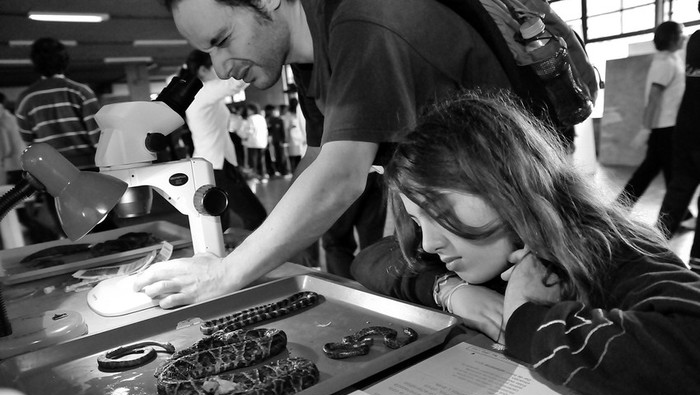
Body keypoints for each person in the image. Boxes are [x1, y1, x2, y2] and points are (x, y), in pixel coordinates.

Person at [352, 90, 700, 395]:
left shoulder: (613, 248)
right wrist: (451, 291)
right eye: (417, 220)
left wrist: (525, 317)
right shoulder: (475, 251)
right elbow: (370, 260)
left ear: (503, 183)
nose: (428, 243)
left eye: (439, 211)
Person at [134, 0, 523, 308]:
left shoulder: (363, 20)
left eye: (222, 40)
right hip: (461, 248)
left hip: (513, 227)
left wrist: (225, 274)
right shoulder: (311, 55)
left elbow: (340, 175)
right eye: (208, 51)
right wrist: (265, 248)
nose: (220, 68)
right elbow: (317, 159)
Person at [15, 37, 103, 241]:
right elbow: (98, 137)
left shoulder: (26, 99)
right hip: (87, 171)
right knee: (101, 226)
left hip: (51, 174)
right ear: (65, 61)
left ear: (35, 64)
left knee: (71, 230)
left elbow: (29, 140)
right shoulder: (80, 92)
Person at [181, 49, 268, 231]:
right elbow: (233, 86)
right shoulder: (202, 91)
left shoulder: (205, 95)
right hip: (215, 166)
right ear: (203, 70)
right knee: (255, 216)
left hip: (216, 163)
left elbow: (224, 120)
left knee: (219, 223)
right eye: (215, 66)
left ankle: (227, 258)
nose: (219, 71)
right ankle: (251, 257)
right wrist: (253, 61)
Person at [616, 21, 686, 206]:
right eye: (682, 33)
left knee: (654, 171)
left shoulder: (670, 60)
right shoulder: (665, 63)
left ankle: (619, 207)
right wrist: (645, 129)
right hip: (665, 129)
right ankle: (677, 216)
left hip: (666, 128)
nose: (684, 37)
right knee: (668, 174)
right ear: (673, 38)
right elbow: (654, 97)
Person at [657, 2, 700, 275]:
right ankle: (697, 265)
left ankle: (653, 247)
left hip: (687, 126)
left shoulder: (696, 39)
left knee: (677, 191)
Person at [239, 102, 270, 181]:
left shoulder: (251, 118)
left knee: (253, 161)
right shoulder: (261, 117)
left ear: (252, 110)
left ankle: (254, 176)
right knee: (261, 160)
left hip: (253, 143)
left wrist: (244, 136)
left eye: (248, 110)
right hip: (262, 142)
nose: (247, 111)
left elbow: (250, 130)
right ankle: (263, 176)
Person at [0, 93, 25, 185]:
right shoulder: (13, 118)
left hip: (10, 165)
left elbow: (6, 149)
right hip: (22, 162)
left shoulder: (2, 120)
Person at [280, 98, 306, 172]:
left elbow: (286, 127)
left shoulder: (288, 114)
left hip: (293, 137)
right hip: (299, 136)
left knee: (294, 157)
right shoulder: (300, 112)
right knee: (298, 156)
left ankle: (295, 171)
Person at [264, 104, 289, 175]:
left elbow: (282, 131)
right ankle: (274, 171)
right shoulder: (266, 120)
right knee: (273, 157)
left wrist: (283, 140)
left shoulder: (278, 120)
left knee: (281, 156)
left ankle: (284, 171)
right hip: (269, 142)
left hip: (278, 141)